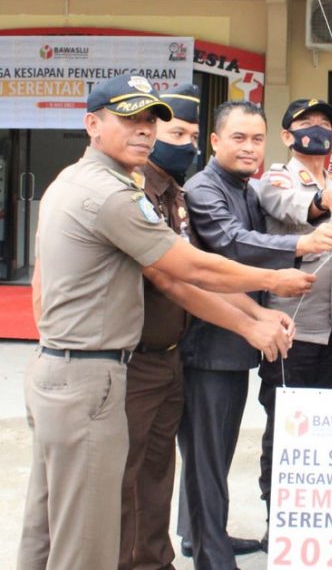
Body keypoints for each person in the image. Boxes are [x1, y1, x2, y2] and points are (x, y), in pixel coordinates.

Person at [18, 74, 313, 570]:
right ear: (92, 124)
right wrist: (272, 282)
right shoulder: (112, 194)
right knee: (87, 536)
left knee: (51, 522)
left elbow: (42, 283)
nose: (145, 131)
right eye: (129, 119)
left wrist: (256, 310)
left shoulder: (75, 181)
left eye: (151, 121)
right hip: (91, 373)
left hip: (72, 366)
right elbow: (185, 271)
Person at [177, 101, 332, 570]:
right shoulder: (204, 188)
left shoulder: (246, 188)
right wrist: (300, 245)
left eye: (256, 139)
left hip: (237, 338)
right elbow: (232, 244)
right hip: (211, 341)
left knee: (214, 453)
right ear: (215, 141)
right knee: (207, 455)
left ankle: (200, 535)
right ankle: (212, 556)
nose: (250, 147)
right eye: (239, 138)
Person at [255, 98, 332, 532]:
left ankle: (315, 525)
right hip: (293, 331)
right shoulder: (276, 178)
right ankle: (278, 522)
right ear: (287, 136)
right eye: (307, 123)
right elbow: (290, 206)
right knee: (286, 429)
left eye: (325, 122)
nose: (317, 128)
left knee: (326, 430)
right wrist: (326, 199)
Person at [119, 83, 202, 570]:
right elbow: (173, 275)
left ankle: (155, 559)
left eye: (193, 135)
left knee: (157, 473)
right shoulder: (134, 192)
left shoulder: (174, 192)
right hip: (135, 361)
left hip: (170, 356)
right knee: (126, 478)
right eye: (176, 134)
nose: (186, 144)